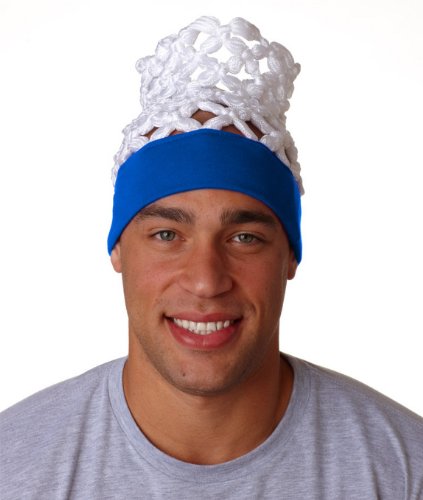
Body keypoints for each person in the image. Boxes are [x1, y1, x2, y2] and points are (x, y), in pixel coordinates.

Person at [1, 16, 422, 499]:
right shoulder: (14, 468)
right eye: (166, 234)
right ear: (118, 248)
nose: (205, 280)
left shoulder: (404, 472)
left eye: (244, 238)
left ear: (290, 255)